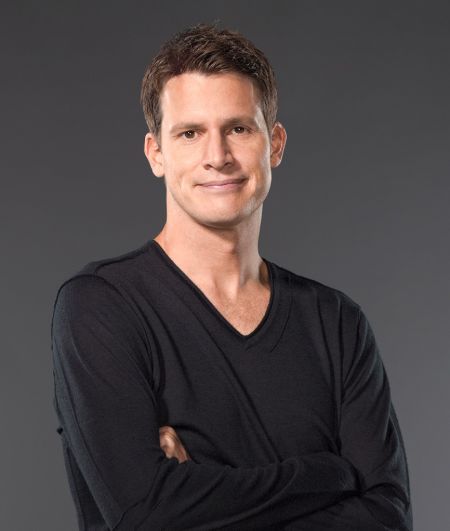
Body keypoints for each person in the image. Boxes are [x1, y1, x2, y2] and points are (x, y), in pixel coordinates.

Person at [51, 22, 413, 530]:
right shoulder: (102, 307)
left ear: (275, 144)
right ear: (156, 154)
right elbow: (146, 514)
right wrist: (328, 474)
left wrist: (202, 496)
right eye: (190, 133)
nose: (217, 157)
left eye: (239, 129)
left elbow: (388, 517)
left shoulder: (336, 323)